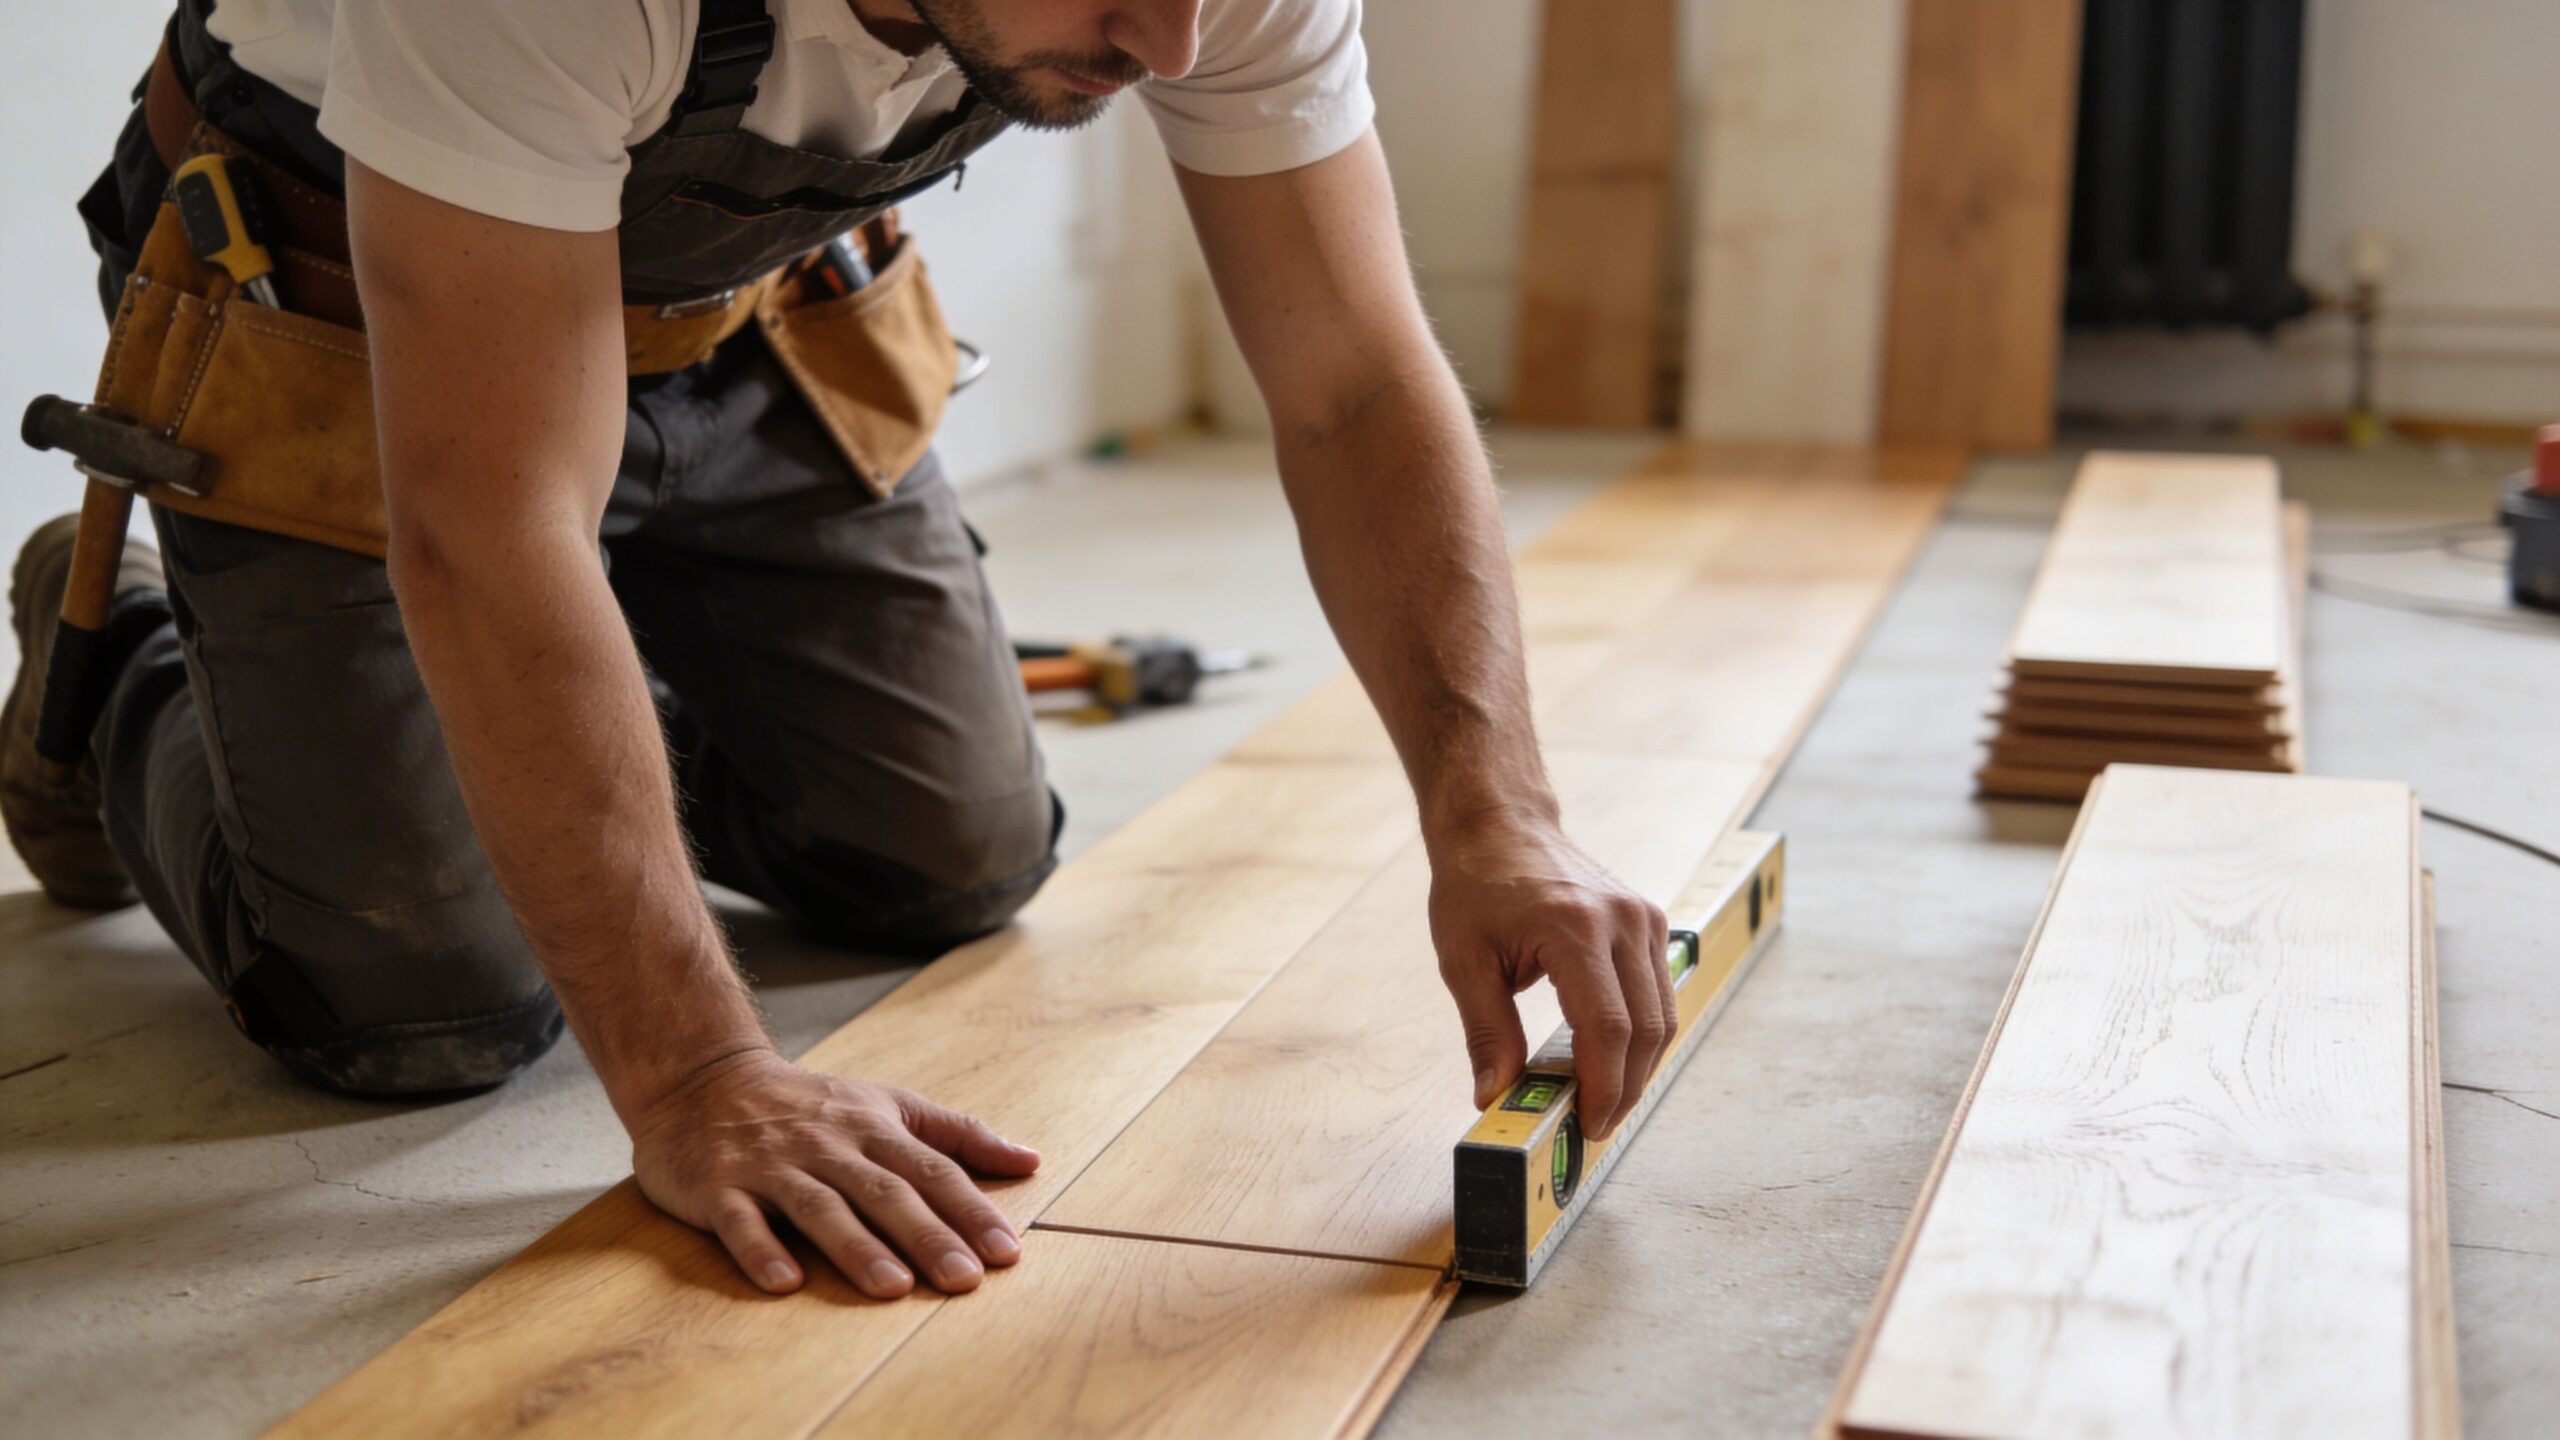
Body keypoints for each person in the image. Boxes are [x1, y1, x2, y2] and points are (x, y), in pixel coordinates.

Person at [3, 0, 1673, 1302]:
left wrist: (1498, 811)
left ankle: (546, 711)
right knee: (413, 1007)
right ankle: (131, 655)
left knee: (949, 857)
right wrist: (699, 1073)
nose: (1171, 45)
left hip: (742, 327)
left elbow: (1357, 386)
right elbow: (492, 527)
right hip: (347, 327)